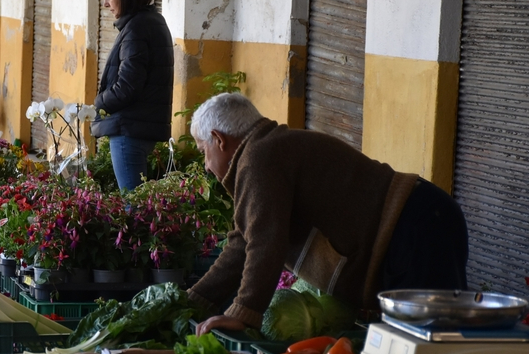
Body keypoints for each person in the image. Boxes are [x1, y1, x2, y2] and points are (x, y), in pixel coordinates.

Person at [189, 93, 469, 336]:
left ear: (219, 140)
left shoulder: (259, 157)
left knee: (435, 346)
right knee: (423, 347)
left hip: (421, 226)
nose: (206, 165)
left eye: (203, 152)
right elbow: (244, 241)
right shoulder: (265, 151)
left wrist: (243, 313)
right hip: (423, 220)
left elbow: (265, 241)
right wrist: (195, 300)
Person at [90, 0, 174, 191]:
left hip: (130, 128)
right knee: (139, 201)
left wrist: (97, 103)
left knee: (133, 203)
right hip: (140, 126)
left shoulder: (136, 28)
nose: (106, 3)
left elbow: (127, 86)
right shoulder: (152, 21)